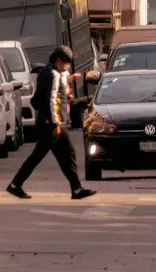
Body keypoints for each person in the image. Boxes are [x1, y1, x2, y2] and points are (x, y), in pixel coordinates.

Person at [7, 46, 96, 201]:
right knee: (42, 156)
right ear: (58, 61)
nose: (67, 67)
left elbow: (41, 97)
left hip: (46, 122)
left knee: (66, 155)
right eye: (66, 63)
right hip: (51, 124)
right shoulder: (54, 75)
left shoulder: (45, 72)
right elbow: (51, 99)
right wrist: (55, 124)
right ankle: (16, 184)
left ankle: (76, 188)